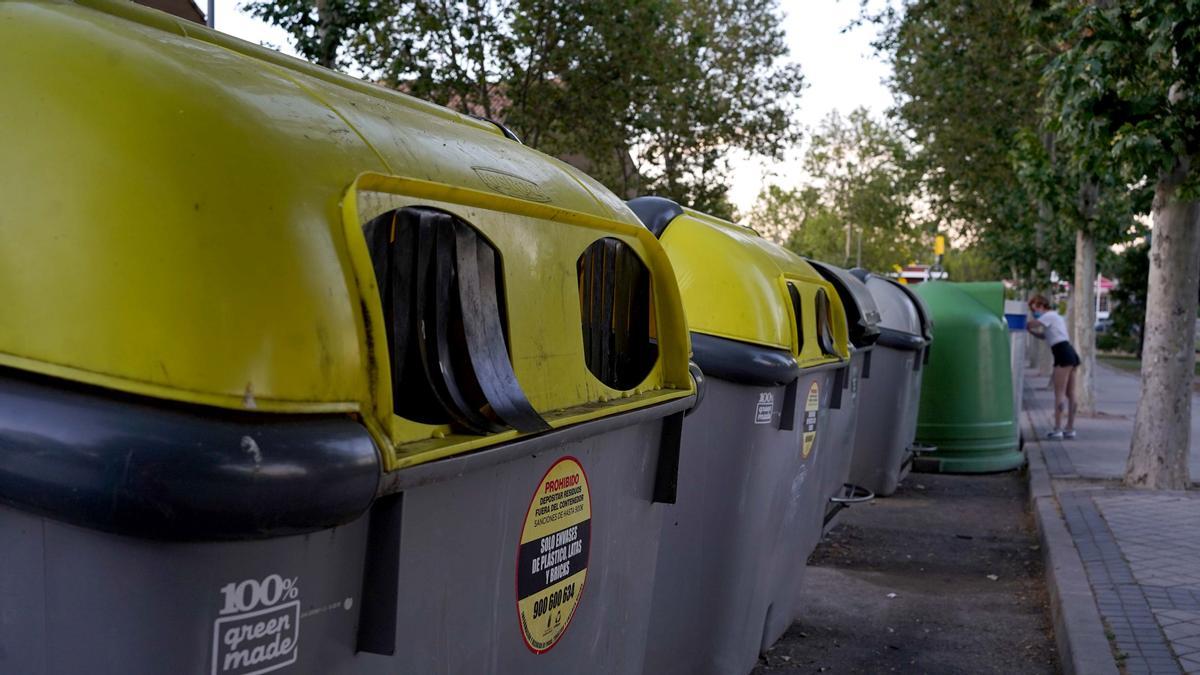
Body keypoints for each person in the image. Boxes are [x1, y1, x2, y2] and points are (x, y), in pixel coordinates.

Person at [1026, 294, 1079, 439]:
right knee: (1070, 393)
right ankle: (1070, 428)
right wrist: (1031, 333)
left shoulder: (1048, 315)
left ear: (1042, 306)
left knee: (1059, 393)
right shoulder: (1054, 317)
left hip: (1062, 354)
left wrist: (1024, 322)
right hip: (1070, 353)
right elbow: (1045, 336)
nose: (1034, 312)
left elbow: (1033, 324)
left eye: (1034, 309)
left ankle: (1057, 429)